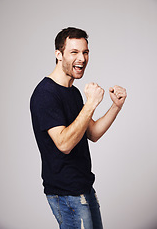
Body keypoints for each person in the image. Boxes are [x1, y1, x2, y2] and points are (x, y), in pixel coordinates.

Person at [30, 27, 127, 229]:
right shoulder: (45, 94)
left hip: (84, 188)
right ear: (58, 54)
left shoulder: (72, 92)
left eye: (85, 52)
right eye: (74, 52)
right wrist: (91, 104)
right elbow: (64, 143)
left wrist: (115, 106)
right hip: (66, 193)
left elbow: (92, 133)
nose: (81, 58)